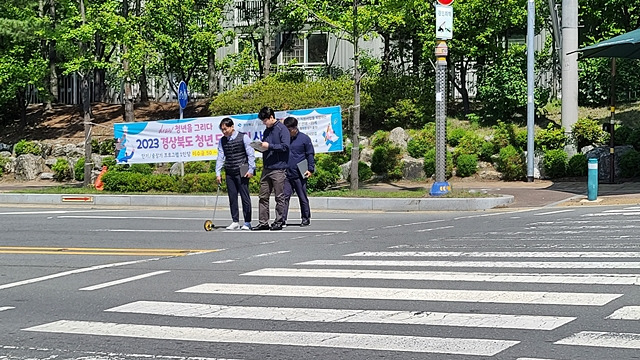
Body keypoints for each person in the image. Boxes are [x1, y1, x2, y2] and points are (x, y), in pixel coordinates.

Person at [253, 107, 290, 231]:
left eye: (265, 120)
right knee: (263, 196)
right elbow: (266, 146)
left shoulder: (282, 129)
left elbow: (285, 147)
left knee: (279, 196)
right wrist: (259, 147)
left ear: (271, 117)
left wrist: (270, 146)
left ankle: (279, 221)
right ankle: (263, 222)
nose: (264, 123)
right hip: (267, 167)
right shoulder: (267, 131)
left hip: (278, 168)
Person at [215, 117, 255, 230]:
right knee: (232, 197)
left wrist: (251, 169)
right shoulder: (222, 141)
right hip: (230, 169)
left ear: (232, 127)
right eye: (222, 129)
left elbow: (250, 154)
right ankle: (235, 221)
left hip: (243, 168)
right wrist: (218, 172)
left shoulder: (244, 137)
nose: (224, 131)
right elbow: (220, 157)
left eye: (225, 128)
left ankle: (247, 222)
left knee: (244, 196)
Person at [282, 116, 315, 227]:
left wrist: (310, 169)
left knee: (302, 196)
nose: (288, 132)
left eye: (289, 130)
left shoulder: (304, 139)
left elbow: (310, 154)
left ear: (295, 128)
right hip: (287, 173)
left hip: (300, 173)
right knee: (284, 197)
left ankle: (306, 218)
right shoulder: (284, 140)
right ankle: (282, 219)